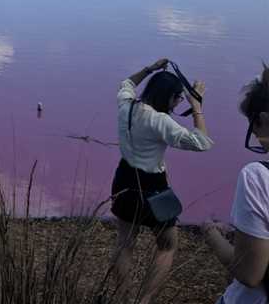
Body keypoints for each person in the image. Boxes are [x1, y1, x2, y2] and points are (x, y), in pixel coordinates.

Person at [111, 58, 212, 304]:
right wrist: (197, 107)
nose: (179, 103)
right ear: (168, 97)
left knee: (125, 242)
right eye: (178, 99)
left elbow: (126, 83)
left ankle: (124, 299)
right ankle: (144, 301)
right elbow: (202, 143)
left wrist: (149, 69)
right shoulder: (160, 121)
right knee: (167, 245)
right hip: (152, 187)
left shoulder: (126, 106)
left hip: (123, 179)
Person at [203, 65, 269, 304]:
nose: (253, 135)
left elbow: (249, 274)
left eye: (252, 125)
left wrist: (211, 235)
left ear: (262, 120)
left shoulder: (257, 177)